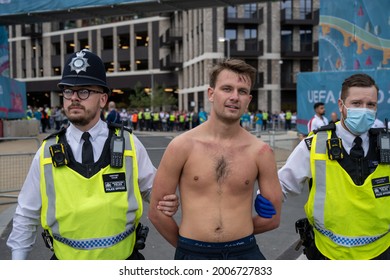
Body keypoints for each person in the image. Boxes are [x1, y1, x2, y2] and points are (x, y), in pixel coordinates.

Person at [6, 49, 178, 260]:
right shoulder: (46, 151)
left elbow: (153, 190)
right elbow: (26, 214)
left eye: (84, 91)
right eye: (68, 91)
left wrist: (167, 201)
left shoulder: (128, 144)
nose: (74, 98)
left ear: (103, 99)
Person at [148, 58, 282, 260]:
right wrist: (187, 248)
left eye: (242, 91)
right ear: (211, 94)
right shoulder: (182, 146)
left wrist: (238, 233)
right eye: (227, 89)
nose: (235, 97)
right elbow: (156, 212)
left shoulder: (260, 152)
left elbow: (273, 218)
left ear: (249, 99)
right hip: (193, 252)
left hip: (244, 252)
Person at [278, 73, 390, 260]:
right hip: (328, 253)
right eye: (356, 103)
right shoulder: (314, 144)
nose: (364, 110)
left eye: (370, 105)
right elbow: (282, 184)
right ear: (341, 105)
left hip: (381, 252)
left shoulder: (386, 143)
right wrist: (261, 205)